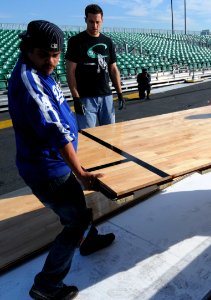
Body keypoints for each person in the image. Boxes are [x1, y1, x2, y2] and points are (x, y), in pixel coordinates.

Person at [8, 20, 115, 300]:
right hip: (48, 169)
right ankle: (46, 285)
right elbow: (55, 131)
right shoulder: (29, 81)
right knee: (75, 221)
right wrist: (80, 170)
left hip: (57, 162)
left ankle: (89, 241)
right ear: (27, 49)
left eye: (55, 55)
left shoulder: (39, 69)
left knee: (77, 207)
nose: (52, 61)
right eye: (44, 55)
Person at [65, 4, 124, 130]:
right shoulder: (76, 41)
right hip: (85, 98)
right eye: (91, 22)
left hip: (106, 96)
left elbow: (113, 69)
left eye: (97, 22)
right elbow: (70, 72)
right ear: (85, 20)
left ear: (102, 20)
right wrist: (76, 98)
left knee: (110, 136)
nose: (95, 26)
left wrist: (119, 93)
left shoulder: (108, 41)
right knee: (88, 138)